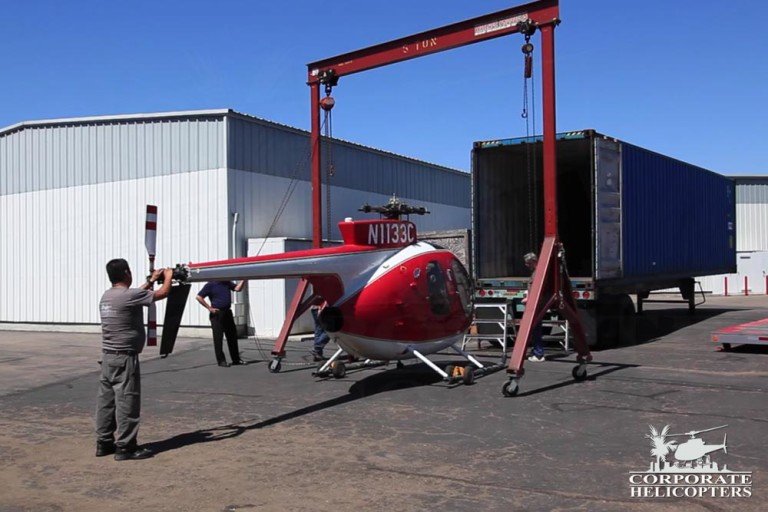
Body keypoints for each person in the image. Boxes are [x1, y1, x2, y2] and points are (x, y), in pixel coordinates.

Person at [96, 258, 173, 461]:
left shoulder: (108, 296)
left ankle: (104, 442)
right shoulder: (129, 295)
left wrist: (151, 280)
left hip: (108, 357)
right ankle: (126, 447)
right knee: (127, 401)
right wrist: (168, 276)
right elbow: (163, 293)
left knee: (106, 402)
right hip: (124, 358)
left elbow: (136, 294)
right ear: (126, 273)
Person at [196, 280, 246, 367]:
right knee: (218, 338)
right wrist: (209, 308)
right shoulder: (210, 285)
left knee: (232, 336)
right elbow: (199, 297)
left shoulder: (226, 282)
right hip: (217, 313)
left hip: (227, 313)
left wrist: (244, 280)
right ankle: (221, 361)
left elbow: (238, 289)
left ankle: (236, 359)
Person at [522, 252, 546, 362]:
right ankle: (536, 351)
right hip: (535, 303)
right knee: (535, 329)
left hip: (536, 304)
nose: (526, 265)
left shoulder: (537, 273)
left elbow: (537, 289)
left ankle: (538, 353)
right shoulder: (536, 272)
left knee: (536, 329)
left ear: (533, 261)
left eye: (528, 263)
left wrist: (529, 299)